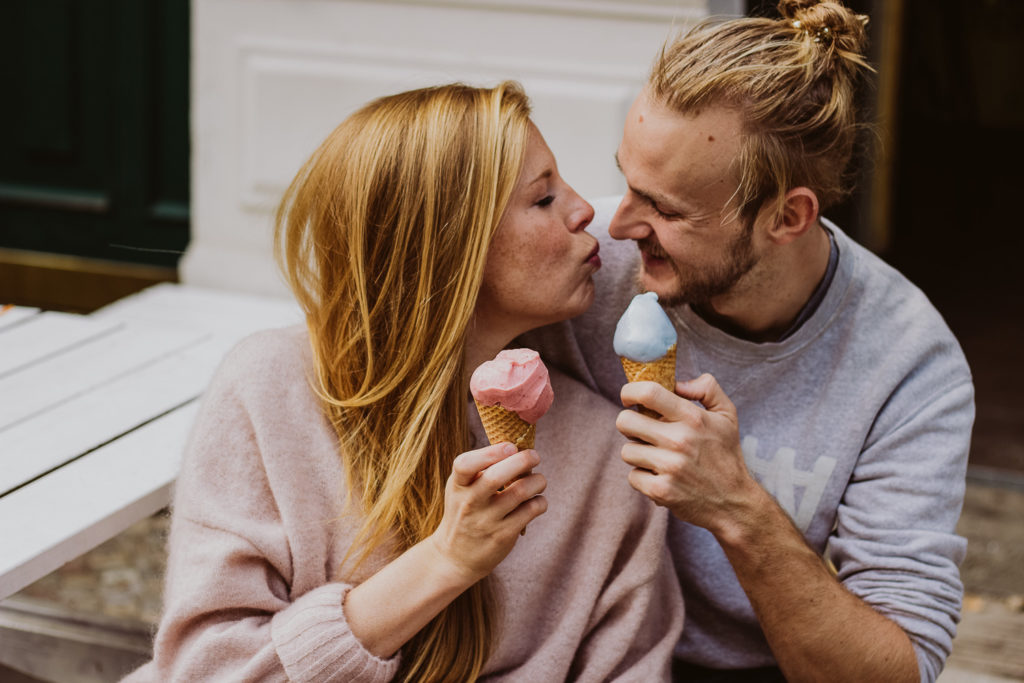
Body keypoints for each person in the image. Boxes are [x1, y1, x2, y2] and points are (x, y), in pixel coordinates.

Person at [123, 82, 683, 682]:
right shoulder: (270, 390)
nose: (585, 211)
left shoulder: (607, 460)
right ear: (448, 245)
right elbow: (206, 671)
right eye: (543, 198)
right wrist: (445, 560)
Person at [521, 2, 974, 681]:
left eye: (667, 209)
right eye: (627, 183)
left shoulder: (908, 365)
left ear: (787, 217)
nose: (619, 225)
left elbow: (897, 669)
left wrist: (737, 506)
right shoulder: (582, 262)